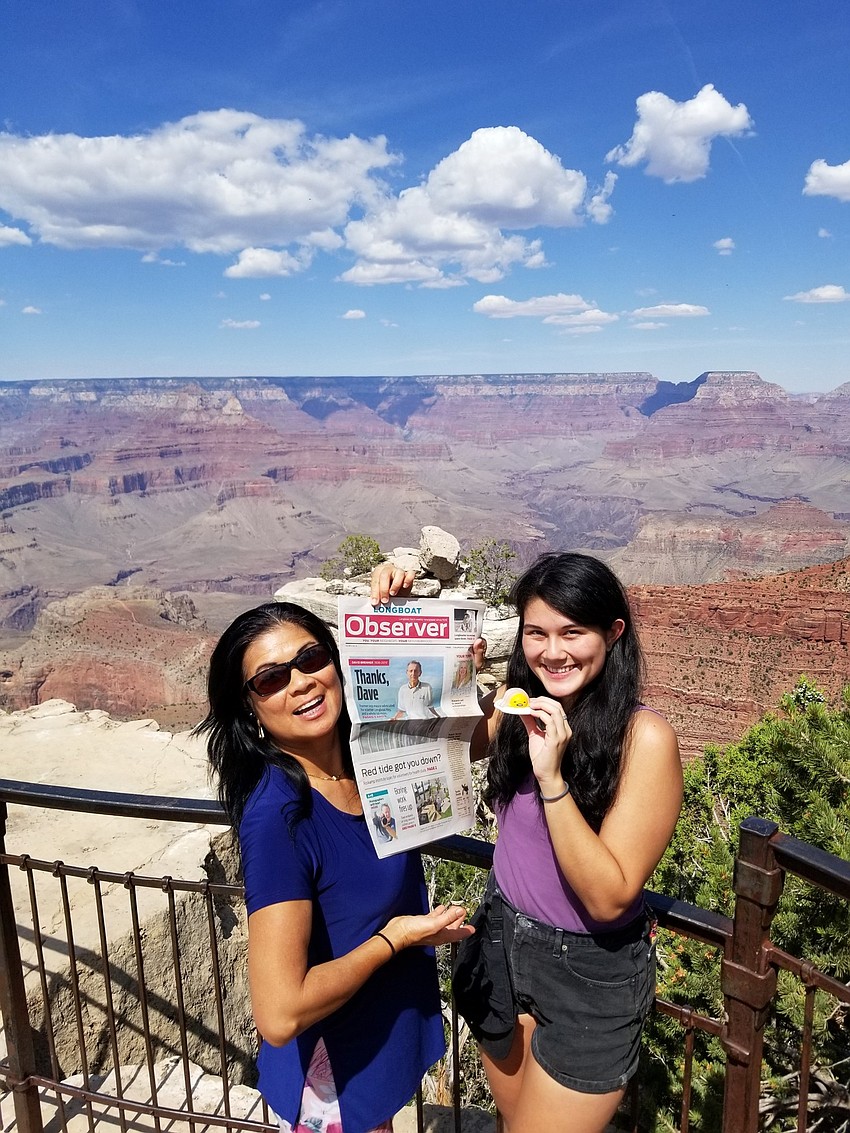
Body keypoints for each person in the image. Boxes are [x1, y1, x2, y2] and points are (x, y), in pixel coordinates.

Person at [371, 553, 683, 1133]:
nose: (553, 651)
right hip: (501, 938)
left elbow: (609, 898)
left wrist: (552, 778)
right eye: (536, 632)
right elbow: (432, 743)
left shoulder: (645, 740)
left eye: (573, 632)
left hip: (587, 968)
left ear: (614, 633)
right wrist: (403, 617)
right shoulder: (519, 708)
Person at [195, 602, 473, 1133]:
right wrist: (395, 939)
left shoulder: (366, 759)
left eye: (311, 658)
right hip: (335, 1079)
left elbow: (467, 735)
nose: (300, 682)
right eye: (271, 679)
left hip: (376, 1043)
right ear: (250, 709)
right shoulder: (278, 817)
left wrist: (393, 610)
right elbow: (279, 1013)